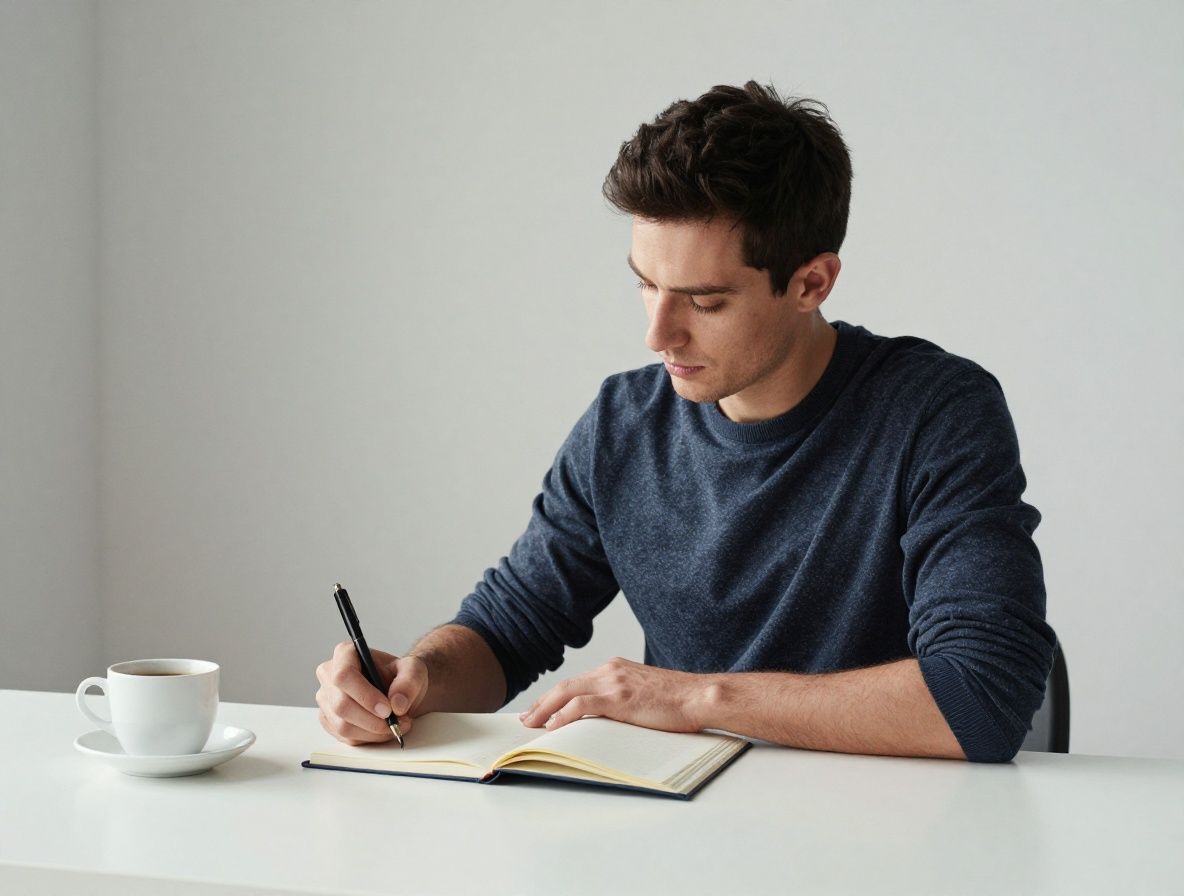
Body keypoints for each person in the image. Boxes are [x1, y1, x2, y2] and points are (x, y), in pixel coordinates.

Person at [316, 80, 1056, 763]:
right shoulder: (623, 424)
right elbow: (509, 631)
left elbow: (981, 698)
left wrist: (695, 697)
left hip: (898, 843)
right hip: (688, 832)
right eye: (646, 286)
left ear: (811, 282)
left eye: (704, 302)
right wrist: (416, 679)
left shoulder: (936, 414)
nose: (658, 335)